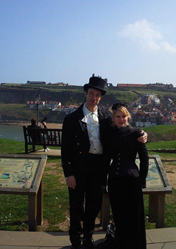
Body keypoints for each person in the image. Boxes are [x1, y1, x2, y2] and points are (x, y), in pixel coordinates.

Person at [61, 74, 147, 249]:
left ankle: (88, 237)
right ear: (85, 93)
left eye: (98, 95)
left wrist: (144, 135)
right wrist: (68, 173)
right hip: (78, 169)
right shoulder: (71, 119)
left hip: (98, 168)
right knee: (77, 206)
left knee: (94, 205)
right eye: (92, 94)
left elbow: (124, 128)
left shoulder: (106, 118)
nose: (94, 98)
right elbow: (65, 150)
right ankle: (76, 241)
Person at [105, 103, 149, 249]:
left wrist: (142, 179)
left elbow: (144, 157)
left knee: (134, 216)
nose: (121, 119)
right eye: (118, 116)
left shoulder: (136, 133)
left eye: (123, 116)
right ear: (113, 118)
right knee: (119, 215)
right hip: (115, 180)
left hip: (131, 180)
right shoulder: (109, 132)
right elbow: (105, 157)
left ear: (128, 117)